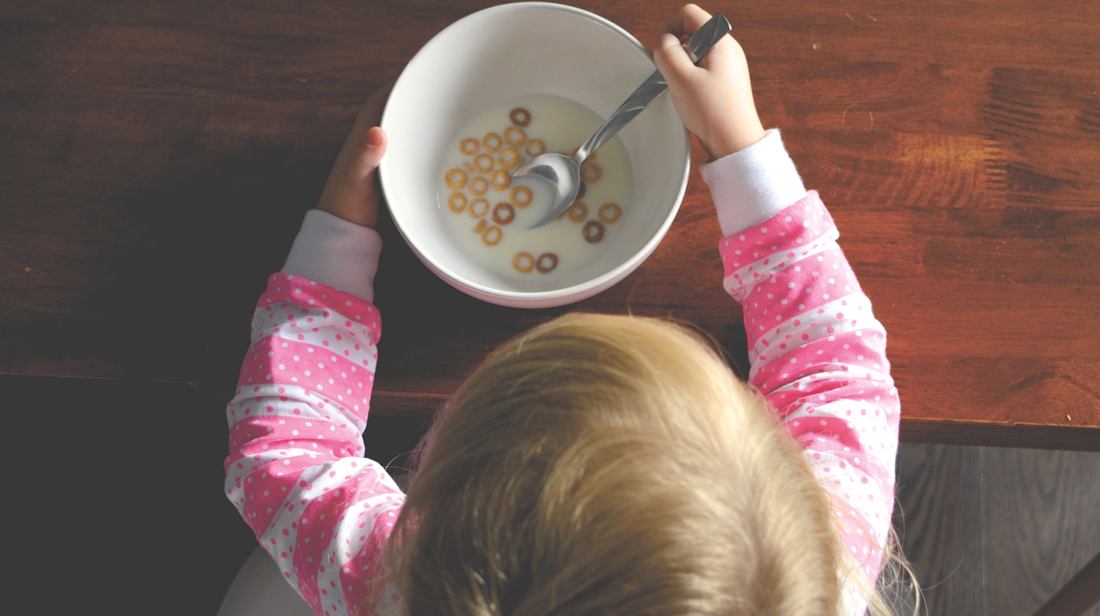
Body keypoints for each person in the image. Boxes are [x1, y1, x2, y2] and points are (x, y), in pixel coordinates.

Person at [223, 4, 913, 615]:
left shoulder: (395, 581)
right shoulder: (819, 564)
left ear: (443, 510)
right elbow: (834, 368)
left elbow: (286, 455)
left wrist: (339, 232)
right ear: (779, 473)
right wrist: (739, 141)